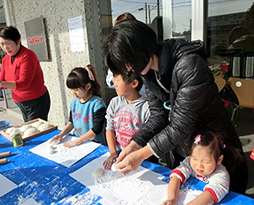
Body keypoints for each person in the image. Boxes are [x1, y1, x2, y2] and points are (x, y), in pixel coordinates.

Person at [104, 19, 248, 194]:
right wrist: (135, 144)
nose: (128, 69)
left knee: (219, 195)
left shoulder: (189, 65)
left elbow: (181, 124)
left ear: (141, 50)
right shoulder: (149, 73)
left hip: (213, 149)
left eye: (128, 63)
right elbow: (158, 116)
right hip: (186, 150)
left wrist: (141, 155)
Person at [0, 26, 50, 122]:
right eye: (2, 44)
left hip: (36, 101)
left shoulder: (27, 56)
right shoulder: (6, 59)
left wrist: (0, 84)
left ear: (18, 40)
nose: (5, 48)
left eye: (8, 43)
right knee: (30, 129)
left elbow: (24, 83)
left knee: (35, 132)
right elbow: (1, 80)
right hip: (21, 102)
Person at [162, 130, 234, 205]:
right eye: (194, 159)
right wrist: (171, 198)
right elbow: (176, 177)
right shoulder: (189, 162)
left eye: (206, 162)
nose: (199, 165)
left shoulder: (221, 175)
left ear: (219, 160)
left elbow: (209, 196)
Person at [49, 65, 106, 147]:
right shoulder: (74, 102)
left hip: (93, 144)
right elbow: (71, 122)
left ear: (88, 86)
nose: (73, 92)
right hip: (77, 141)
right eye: (71, 89)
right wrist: (61, 135)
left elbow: (97, 128)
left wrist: (78, 141)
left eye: (76, 90)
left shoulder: (97, 104)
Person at [103, 70, 149, 170]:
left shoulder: (146, 107)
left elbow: (150, 139)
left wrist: (138, 156)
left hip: (141, 159)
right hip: (119, 153)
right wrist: (113, 153)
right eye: (114, 80)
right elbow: (109, 129)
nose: (114, 84)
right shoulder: (115, 102)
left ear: (134, 83)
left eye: (118, 80)